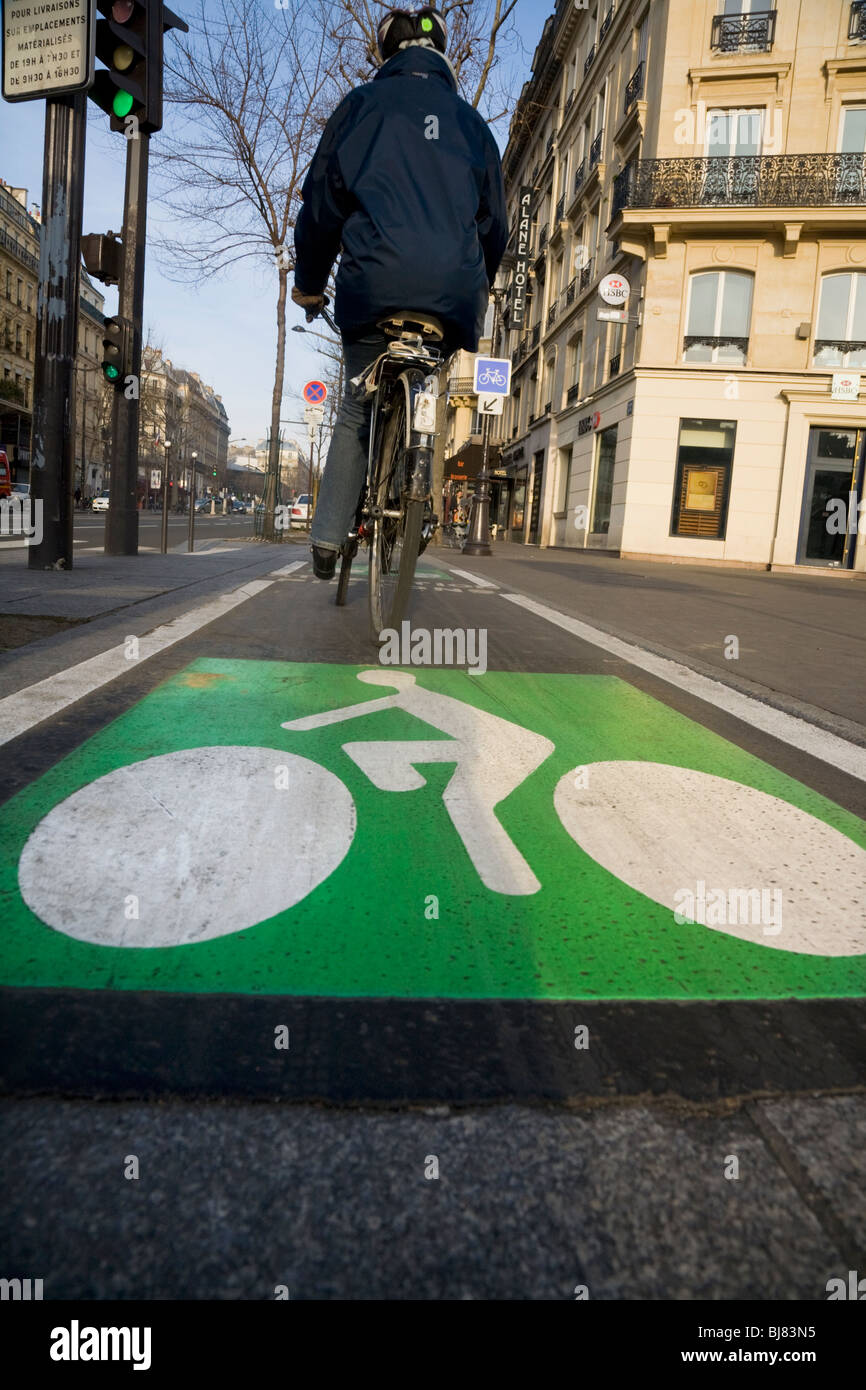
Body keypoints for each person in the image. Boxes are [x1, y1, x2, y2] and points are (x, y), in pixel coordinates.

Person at [292, 4, 507, 580]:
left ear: (388, 55)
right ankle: (418, 497)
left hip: (373, 285)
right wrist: (473, 285)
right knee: (428, 387)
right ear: (444, 60)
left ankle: (327, 539)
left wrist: (310, 286)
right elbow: (496, 227)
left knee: (356, 405)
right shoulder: (472, 126)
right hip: (451, 295)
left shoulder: (361, 107)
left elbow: (321, 206)